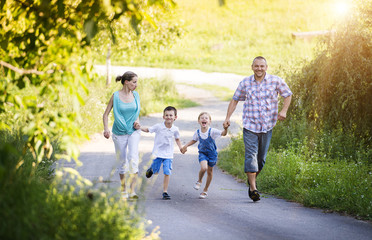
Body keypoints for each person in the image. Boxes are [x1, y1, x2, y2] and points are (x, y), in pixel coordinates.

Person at [223, 56, 292, 202]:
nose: (259, 69)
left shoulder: (275, 81)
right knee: (251, 156)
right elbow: (235, 99)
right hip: (250, 125)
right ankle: (253, 188)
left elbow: (288, 95)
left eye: (262, 66)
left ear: (266, 67)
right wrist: (227, 117)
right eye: (256, 66)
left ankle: (251, 180)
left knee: (261, 160)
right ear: (252, 67)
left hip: (267, 126)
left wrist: (284, 110)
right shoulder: (246, 83)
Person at [103, 71, 141, 199]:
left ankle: (132, 191)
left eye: (136, 82)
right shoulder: (115, 96)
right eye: (134, 82)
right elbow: (106, 114)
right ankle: (123, 190)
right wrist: (106, 129)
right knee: (122, 161)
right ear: (126, 82)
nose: (136, 85)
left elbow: (137, 113)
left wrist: (137, 122)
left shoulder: (136, 95)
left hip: (134, 132)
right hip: (119, 132)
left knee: (133, 158)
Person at [181, 112, 228, 199]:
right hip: (202, 153)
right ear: (199, 121)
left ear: (209, 121)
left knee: (210, 172)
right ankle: (199, 181)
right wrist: (186, 146)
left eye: (206, 118)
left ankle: (205, 190)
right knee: (204, 168)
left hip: (212, 154)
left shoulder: (212, 131)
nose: (204, 119)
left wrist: (226, 129)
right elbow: (194, 140)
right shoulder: (197, 132)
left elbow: (223, 133)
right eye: (202, 118)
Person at [141, 106, 183, 200]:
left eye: (171, 115)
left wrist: (181, 148)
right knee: (155, 172)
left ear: (175, 117)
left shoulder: (175, 129)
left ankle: (165, 192)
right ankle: (152, 169)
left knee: (167, 172)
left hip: (168, 154)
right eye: (166, 115)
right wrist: (139, 127)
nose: (168, 117)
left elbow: (177, 139)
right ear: (163, 116)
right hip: (158, 153)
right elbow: (148, 130)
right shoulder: (158, 126)